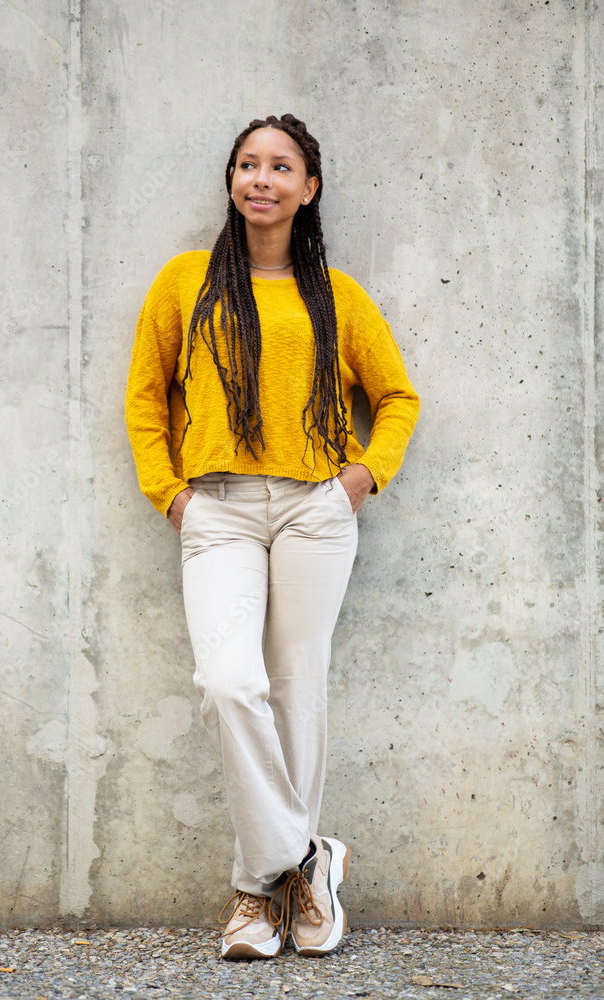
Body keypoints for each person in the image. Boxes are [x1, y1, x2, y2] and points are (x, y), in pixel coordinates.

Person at [125, 113, 419, 959]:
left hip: (311, 509)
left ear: (307, 187)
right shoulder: (185, 282)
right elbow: (146, 397)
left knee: (297, 691)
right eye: (247, 164)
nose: (261, 179)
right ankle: (304, 859)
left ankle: (256, 900)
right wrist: (169, 494)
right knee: (227, 682)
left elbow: (396, 397)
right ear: (230, 181)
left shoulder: (336, 294)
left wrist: (361, 477)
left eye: (280, 166)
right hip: (213, 508)